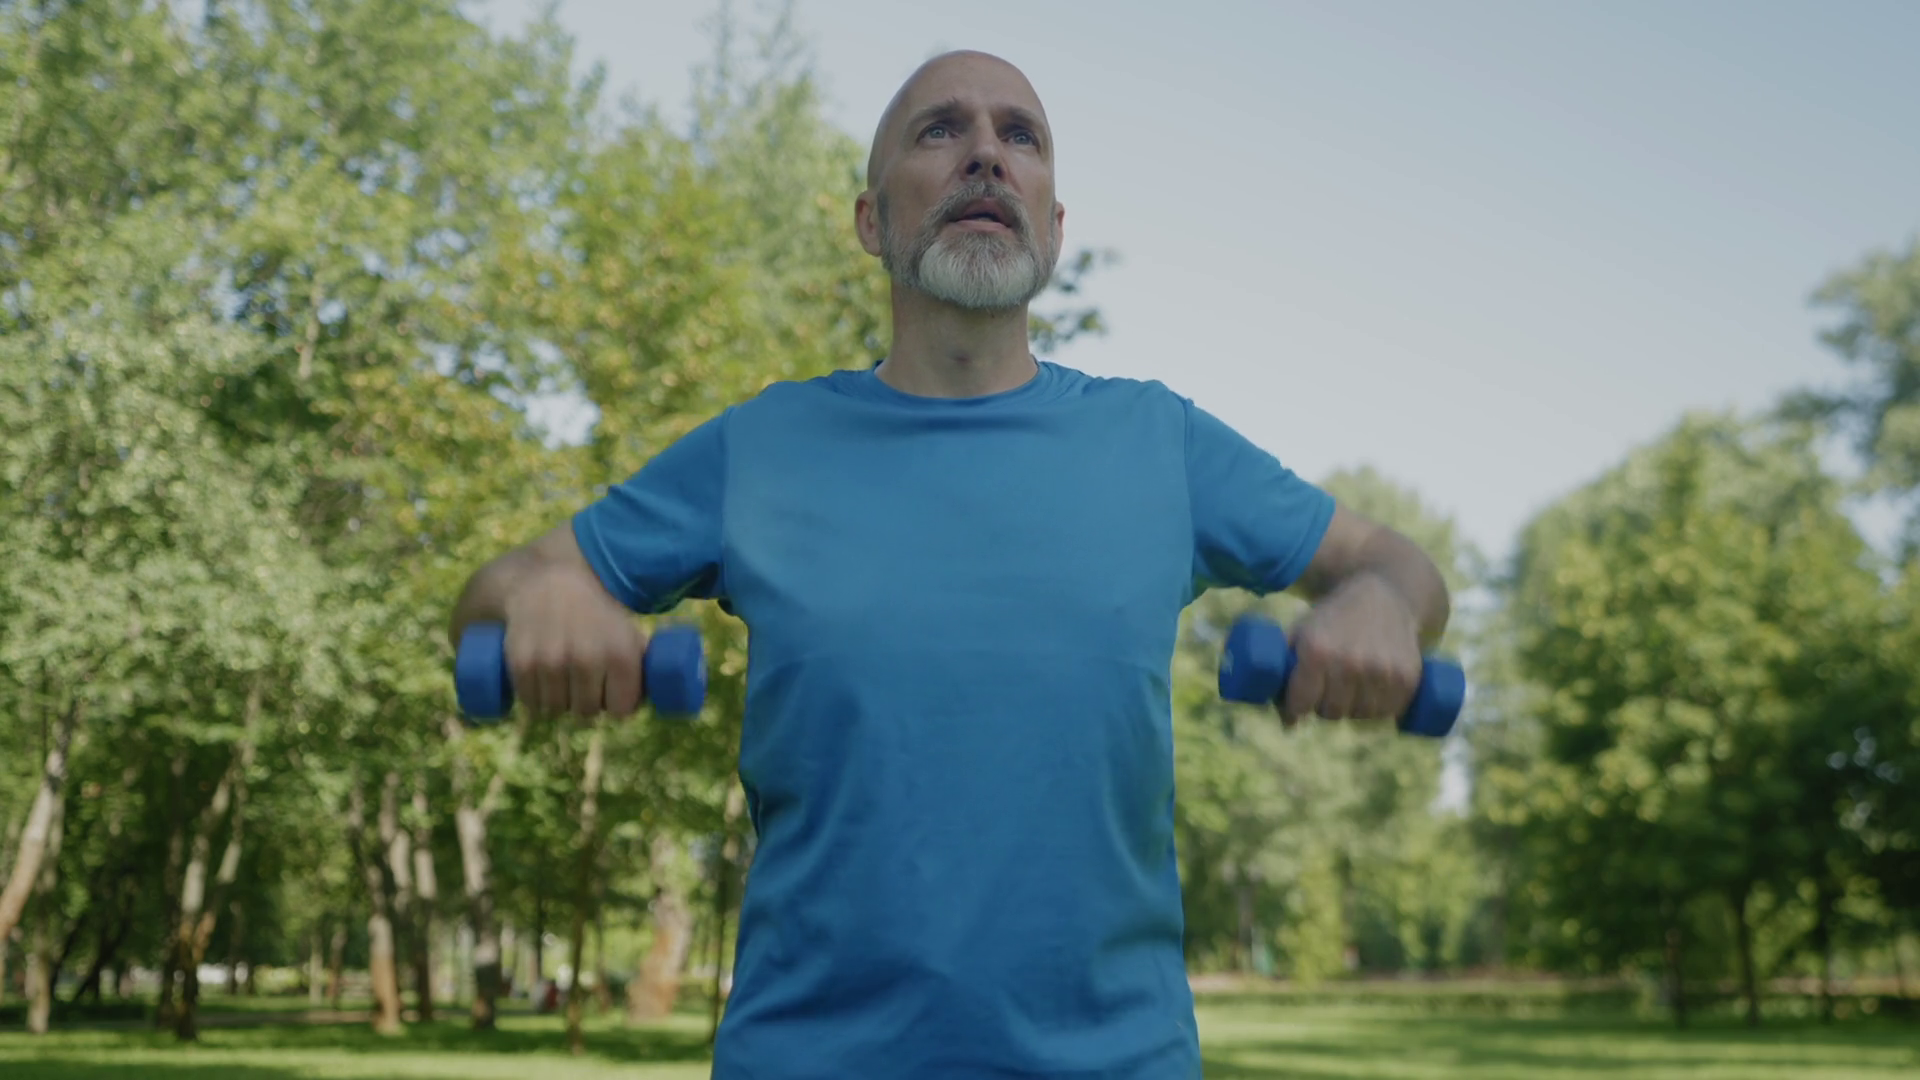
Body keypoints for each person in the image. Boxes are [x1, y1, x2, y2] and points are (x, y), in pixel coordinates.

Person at [449, 49, 1449, 1080]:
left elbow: (1399, 566)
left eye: (1021, 136)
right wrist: (550, 595)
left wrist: (1381, 601)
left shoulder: (1162, 443)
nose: (986, 155)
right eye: (940, 130)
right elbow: (493, 596)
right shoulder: (763, 447)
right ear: (870, 221)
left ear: (1054, 227)